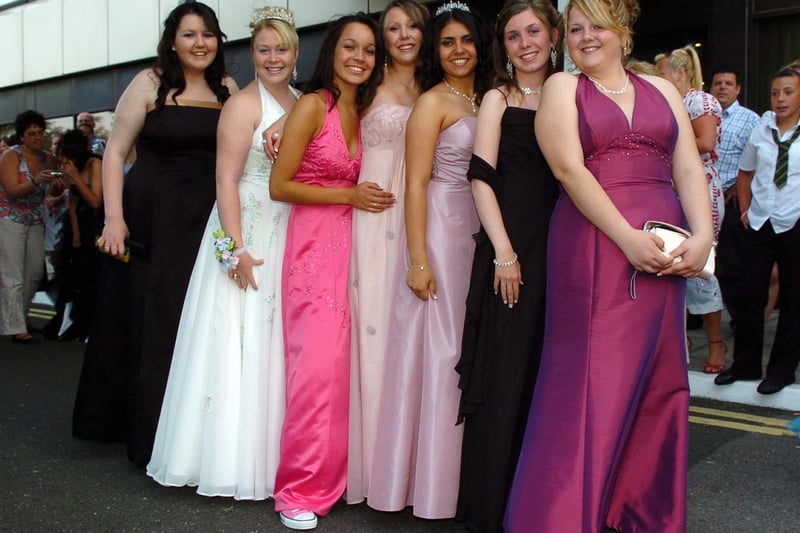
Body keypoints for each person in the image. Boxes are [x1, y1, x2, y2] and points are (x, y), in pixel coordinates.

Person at [505, 1, 713, 531]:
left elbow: (688, 167)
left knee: (659, 378)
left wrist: (704, 233)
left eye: (596, 26)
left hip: (665, 251)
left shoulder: (665, 91)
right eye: (575, 29)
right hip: (594, 244)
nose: (585, 37)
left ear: (622, 32)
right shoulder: (562, 89)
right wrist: (625, 239)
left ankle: (639, 511)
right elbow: (568, 171)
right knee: (591, 380)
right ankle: (562, 517)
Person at [72, 2, 237, 466]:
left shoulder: (228, 88)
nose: (200, 43)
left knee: (198, 316)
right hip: (152, 215)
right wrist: (113, 219)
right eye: (189, 35)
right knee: (152, 315)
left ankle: (192, 425)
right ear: (172, 41)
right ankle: (145, 426)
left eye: (208, 34)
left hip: (207, 219)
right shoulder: (149, 83)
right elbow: (115, 152)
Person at [146, 5, 300, 501]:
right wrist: (232, 250)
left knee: (276, 342)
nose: (272, 57)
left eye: (281, 48)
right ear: (251, 53)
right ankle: (226, 459)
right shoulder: (243, 104)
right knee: (238, 337)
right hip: (249, 226)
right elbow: (225, 180)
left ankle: (277, 455)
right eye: (263, 49)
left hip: (289, 228)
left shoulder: (303, 101)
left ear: (296, 52)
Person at [368, 2, 491, 520]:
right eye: (447, 42)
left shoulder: (489, 98)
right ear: (434, 51)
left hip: (484, 231)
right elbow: (414, 183)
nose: (458, 50)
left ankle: (467, 478)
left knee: (473, 348)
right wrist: (418, 259)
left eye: (465, 40)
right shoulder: (433, 103)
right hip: (441, 226)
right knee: (442, 351)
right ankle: (427, 485)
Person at [268, 13, 388, 531]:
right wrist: (347, 194)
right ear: (332, 53)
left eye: (368, 50)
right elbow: (280, 184)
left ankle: (342, 478)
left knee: (351, 371)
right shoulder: (314, 106)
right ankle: (298, 490)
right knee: (315, 372)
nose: (359, 58)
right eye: (349, 47)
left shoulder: (370, 111)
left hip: (361, 251)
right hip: (314, 250)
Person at [454, 1, 561, 531]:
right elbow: (480, 175)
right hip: (510, 251)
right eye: (514, 36)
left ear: (554, 35)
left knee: (548, 376)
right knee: (506, 374)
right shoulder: (499, 97)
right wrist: (504, 252)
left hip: (561, 249)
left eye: (534, 31)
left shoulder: (571, 93)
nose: (525, 44)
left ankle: (541, 506)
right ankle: (492, 510)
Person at [346, 0, 429, 505]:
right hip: (375, 215)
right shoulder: (367, 85)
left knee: (418, 333)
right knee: (374, 328)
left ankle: (414, 461)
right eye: (392, 28)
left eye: (411, 26)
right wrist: (280, 125)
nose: (402, 35)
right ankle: (374, 466)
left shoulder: (437, 86)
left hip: (426, 213)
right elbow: (324, 115)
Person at [715, 65, 800, 395]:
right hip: (761, 221)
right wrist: (747, 209)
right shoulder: (762, 129)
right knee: (749, 294)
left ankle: (781, 370)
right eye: (775, 92)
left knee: (793, 300)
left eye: (788, 92)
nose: (780, 99)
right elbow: (745, 173)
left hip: (794, 223)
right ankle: (745, 365)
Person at [660, 45, 727, 373]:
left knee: (702, 265)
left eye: (665, 73)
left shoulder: (699, 101)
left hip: (700, 188)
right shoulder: (676, 101)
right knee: (677, 262)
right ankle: (681, 339)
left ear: (680, 72)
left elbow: (706, 142)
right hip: (676, 189)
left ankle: (716, 342)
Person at [710, 64, 763, 326]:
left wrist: (739, 189)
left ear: (738, 88)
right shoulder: (703, 115)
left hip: (731, 200)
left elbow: (758, 162)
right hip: (702, 197)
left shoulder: (750, 119)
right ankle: (702, 318)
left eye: (728, 84)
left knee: (731, 266)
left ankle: (740, 319)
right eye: (718, 83)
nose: (722, 87)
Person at [0, 110, 59, 344]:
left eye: (40, 132)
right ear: (22, 137)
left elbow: (53, 191)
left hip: (35, 217)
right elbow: (12, 190)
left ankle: (20, 317)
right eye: (32, 133)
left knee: (34, 273)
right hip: (9, 217)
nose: (37, 137)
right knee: (12, 274)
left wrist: (56, 185)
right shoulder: (10, 156)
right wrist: (35, 181)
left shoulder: (48, 158)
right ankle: (15, 326)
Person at [54, 129, 104, 342]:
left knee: (92, 274)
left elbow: (95, 201)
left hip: (96, 222)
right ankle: (70, 320)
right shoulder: (70, 167)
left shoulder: (95, 164)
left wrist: (75, 177)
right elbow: (72, 202)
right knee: (72, 273)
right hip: (78, 223)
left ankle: (90, 323)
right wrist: (74, 233)